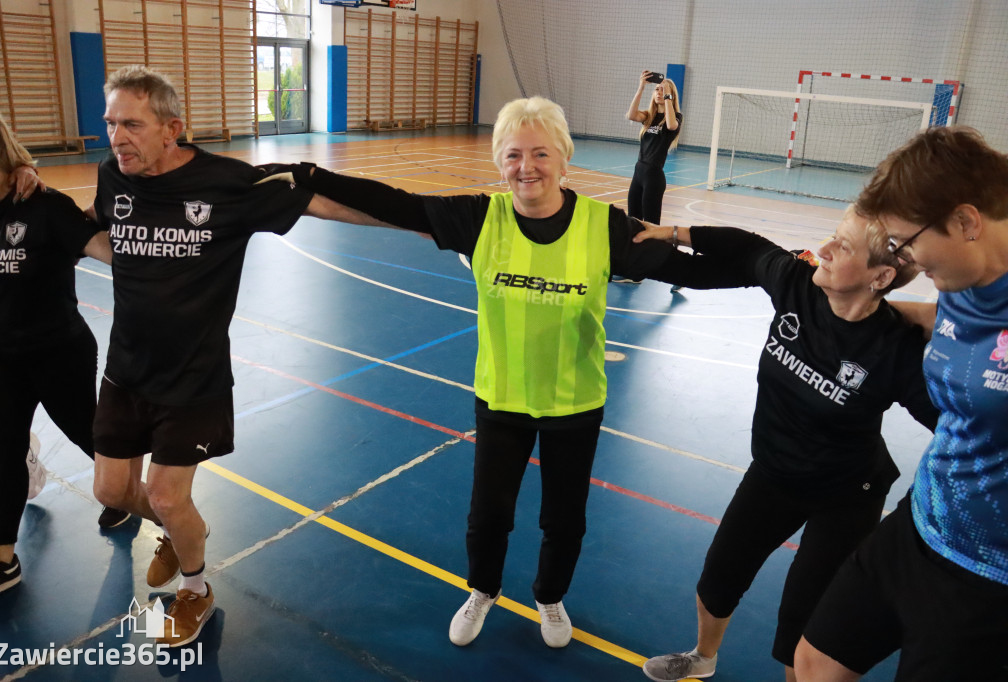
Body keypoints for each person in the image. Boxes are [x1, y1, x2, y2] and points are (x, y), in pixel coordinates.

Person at [254, 96, 742, 648]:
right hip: (501, 398)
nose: (526, 167)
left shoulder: (602, 227)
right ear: (499, 161)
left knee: (564, 520)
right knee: (489, 514)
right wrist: (311, 175)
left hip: (574, 403)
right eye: (513, 155)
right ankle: (482, 591)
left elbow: (693, 273)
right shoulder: (480, 217)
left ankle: (550, 598)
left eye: (540, 153)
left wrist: (776, 270)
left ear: (563, 159)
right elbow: (398, 205)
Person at [87, 65, 379, 646]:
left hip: (194, 377)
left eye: (132, 124)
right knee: (111, 492)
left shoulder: (226, 184)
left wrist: (430, 228)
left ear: (172, 129)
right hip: (125, 369)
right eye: (111, 123)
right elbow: (105, 233)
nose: (117, 136)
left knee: (169, 494)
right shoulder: (112, 176)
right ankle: (175, 530)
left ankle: (196, 590)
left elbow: (323, 205)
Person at [633, 207, 939, 682]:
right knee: (717, 582)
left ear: (880, 276)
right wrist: (673, 231)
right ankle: (703, 657)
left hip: (846, 493)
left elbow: (954, 424)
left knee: (801, 624)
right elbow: (748, 247)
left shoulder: (894, 349)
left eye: (845, 246)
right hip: (774, 471)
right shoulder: (798, 285)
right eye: (833, 236)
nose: (826, 249)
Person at [794, 127, 1008, 681]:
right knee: (815, 662)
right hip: (924, 520)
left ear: (965, 221)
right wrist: (879, 314)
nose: (905, 258)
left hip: (991, 575)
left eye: (904, 242)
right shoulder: (964, 274)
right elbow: (960, 327)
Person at [0, 107, 116, 599]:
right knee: (4, 452)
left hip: (58, 352)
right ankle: (2, 560)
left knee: (92, 440)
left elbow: (107, 249)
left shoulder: (46, 208)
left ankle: (128, 499)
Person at [626, 71, 682, 224]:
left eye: (663, 90)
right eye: (657, 89)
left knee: (651, 224)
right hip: (638, 172)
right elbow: (631, 115)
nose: (659, 92)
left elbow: (671, 125)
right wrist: (641, 88)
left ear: (670, 95)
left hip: (654, 177)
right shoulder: (648, 116)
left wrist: (668, 96)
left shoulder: (676, 117)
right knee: (633, 220)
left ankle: (653, 248)